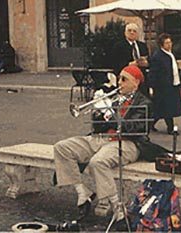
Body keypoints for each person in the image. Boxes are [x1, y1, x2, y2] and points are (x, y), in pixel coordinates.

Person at [54, 65, 159, 224]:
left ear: (136, 83)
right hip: (103, 139)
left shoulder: (144, 103)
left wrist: (110, 112)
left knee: (98, 162)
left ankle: (118, 209)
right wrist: (98, 113)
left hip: (128, 143)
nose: (119, 83)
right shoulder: (116, 98)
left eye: (124, 79)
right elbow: (98, 127)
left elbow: (134, 129)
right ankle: (83, 193)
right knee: (62, 148)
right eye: (118, 79)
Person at [149, 33, 181, 135]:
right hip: (163, 86)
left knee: (161, 108)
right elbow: (154, 72)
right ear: (161, 44)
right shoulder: (158, 56)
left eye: (170, 42)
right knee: (167, 107)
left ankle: (150, 124)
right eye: (166, 43)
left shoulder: (170, 53)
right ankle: (170, 128)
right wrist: (152, 87)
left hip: (173, 84)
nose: (169, 44)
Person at [111, 23, 150, 96]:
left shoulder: (142, 46)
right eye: (129, 30)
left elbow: (149, 60)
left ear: (138, 34)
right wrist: (129, 64)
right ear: (125, 33)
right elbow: (115, 63)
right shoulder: (118, 46)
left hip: (141, 80)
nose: (132, 32)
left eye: (134, 31)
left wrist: (146, 63)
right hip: (127, 79)